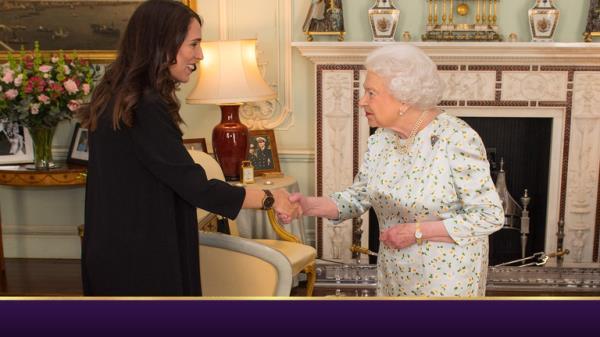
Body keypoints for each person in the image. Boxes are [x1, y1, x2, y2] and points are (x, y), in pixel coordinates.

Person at [78, 0, 299, 296]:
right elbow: (195, 187)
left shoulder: (115, 97)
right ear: (163, 43)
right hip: (143, 260)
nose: (200, 54)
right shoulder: (145, 106)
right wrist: (269, 197)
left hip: (115, 249)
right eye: (193, 44)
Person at [290, 45, 503, 297]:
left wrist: (416, 232)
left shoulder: (457, 138)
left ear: (404, 98)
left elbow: (489, 215)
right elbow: (358, 197)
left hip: (446, 279)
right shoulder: (381, 139)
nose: (361, 101)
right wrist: (307, 206)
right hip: (395, 271)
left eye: (371, 93)